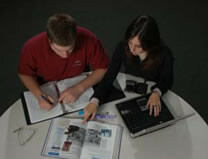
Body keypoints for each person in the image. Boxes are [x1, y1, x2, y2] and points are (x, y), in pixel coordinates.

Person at [83, 15, 174, 123]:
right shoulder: (123, 46)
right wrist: (95, 100)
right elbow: (109, 76)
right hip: (129, 90)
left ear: (150, 44)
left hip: (152, 92)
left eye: (138, 46)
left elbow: (167, 80)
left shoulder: (164, 54)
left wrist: (157, 92)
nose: (132, 49)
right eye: (130, 43)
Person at [18, 13, 109, 110]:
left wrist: (79, 88)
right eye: (59, 50)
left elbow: (103, 68)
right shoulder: (31, 47)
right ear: (49, 41)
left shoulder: (89, 40)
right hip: (46, 88)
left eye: (70, 49)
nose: (65, 55)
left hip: (78, 82)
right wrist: (39, 95)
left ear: (76, 38)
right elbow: (24, 74)